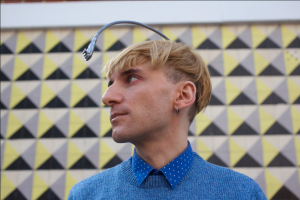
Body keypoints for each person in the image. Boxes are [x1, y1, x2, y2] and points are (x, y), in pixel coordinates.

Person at [68, 40, 267, 199]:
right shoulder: (86, 194)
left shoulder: (242, 193)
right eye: (110, 83)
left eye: (131, 79)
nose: (107, 97)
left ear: (182, 95)